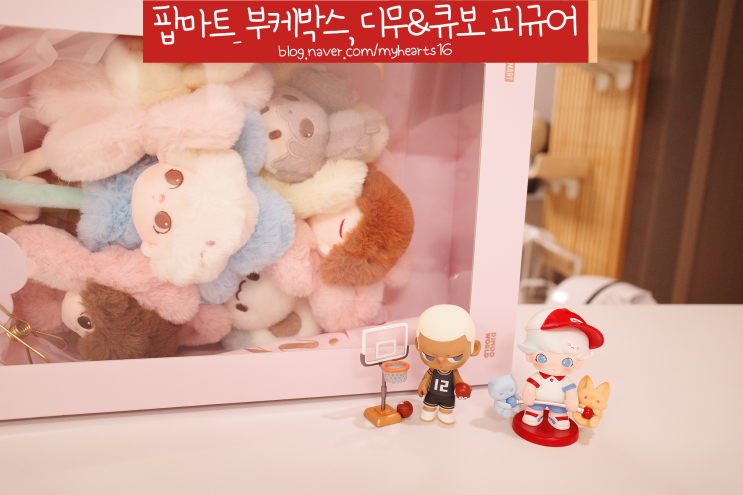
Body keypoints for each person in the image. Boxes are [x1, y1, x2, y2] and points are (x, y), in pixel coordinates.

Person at [517, 308, 604, 430]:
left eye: (566, 362)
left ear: (578, 363)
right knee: (532, 413)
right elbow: (530, 386)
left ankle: (557, 416)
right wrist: (529, 396)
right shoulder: (537, 378)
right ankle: (534, 412)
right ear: (528, 355)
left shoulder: (565, 382)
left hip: (559, 405)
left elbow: (570, 392)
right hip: (537, 403)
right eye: (542, 358)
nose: (553, 365)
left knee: (560, 415)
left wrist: (572, 402)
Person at [415, 305, 481, 424]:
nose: (441, 361)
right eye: (429, 356)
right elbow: (426, 377)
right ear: (417, 345)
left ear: (474, 348)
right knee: (428, 406)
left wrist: (464, 388)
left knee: (446, 408)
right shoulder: (431, 370)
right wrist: (423, 385)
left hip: (448, 396)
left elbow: (459, 382)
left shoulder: (453, 372)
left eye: (455, 357)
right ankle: (428, 412)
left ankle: (445, 414)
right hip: (431, 394)